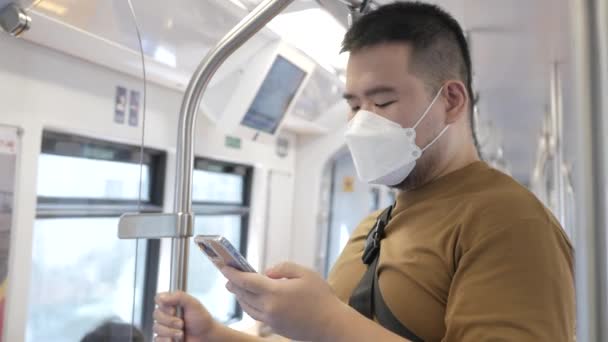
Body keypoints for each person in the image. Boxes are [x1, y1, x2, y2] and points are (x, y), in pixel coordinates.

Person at [153, 2, 575, 341]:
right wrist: (215, 336)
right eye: (354, 105)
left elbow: (333, 331)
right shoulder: (375, 226)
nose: (361, 123)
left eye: (383, 102)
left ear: (450, 100)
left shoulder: (509, 224)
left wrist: (326, 322)